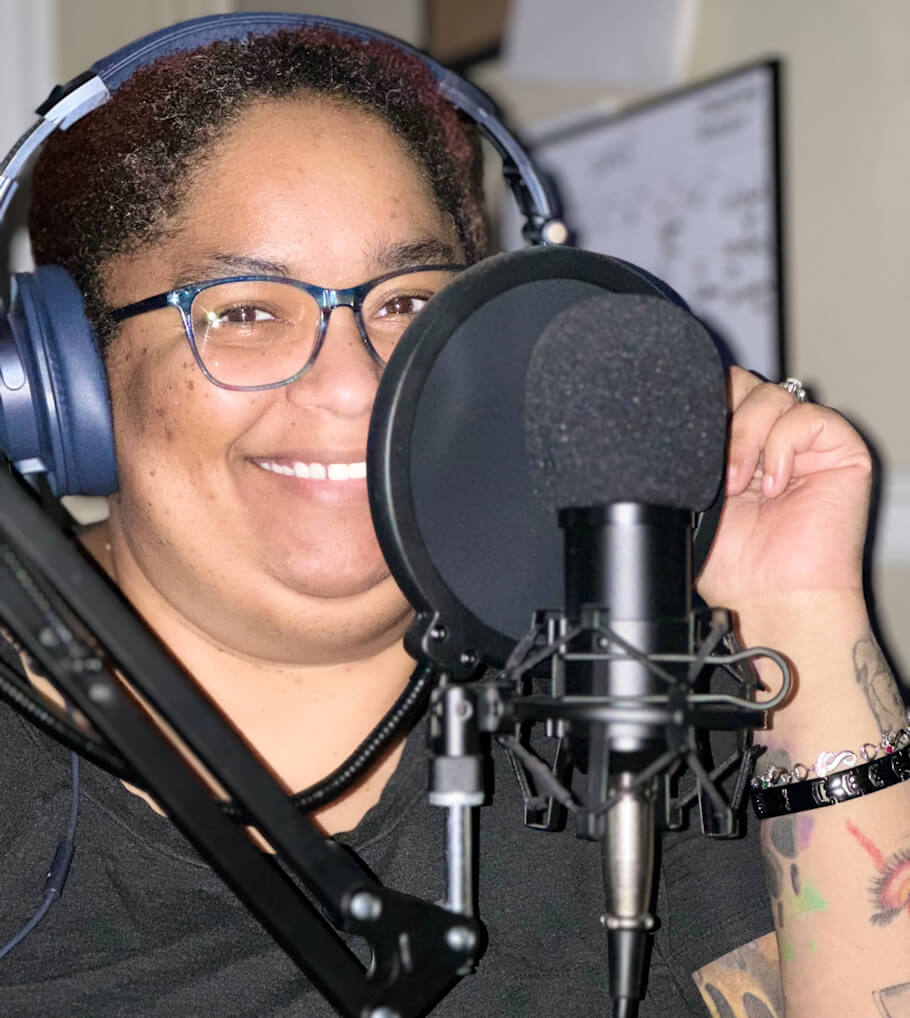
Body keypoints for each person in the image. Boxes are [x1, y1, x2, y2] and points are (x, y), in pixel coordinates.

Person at [0, 16, 907, 1018]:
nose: (353, 385)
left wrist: (806, 615)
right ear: (64, 379)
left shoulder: (649, 668)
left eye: (405, 303)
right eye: (244, 310)